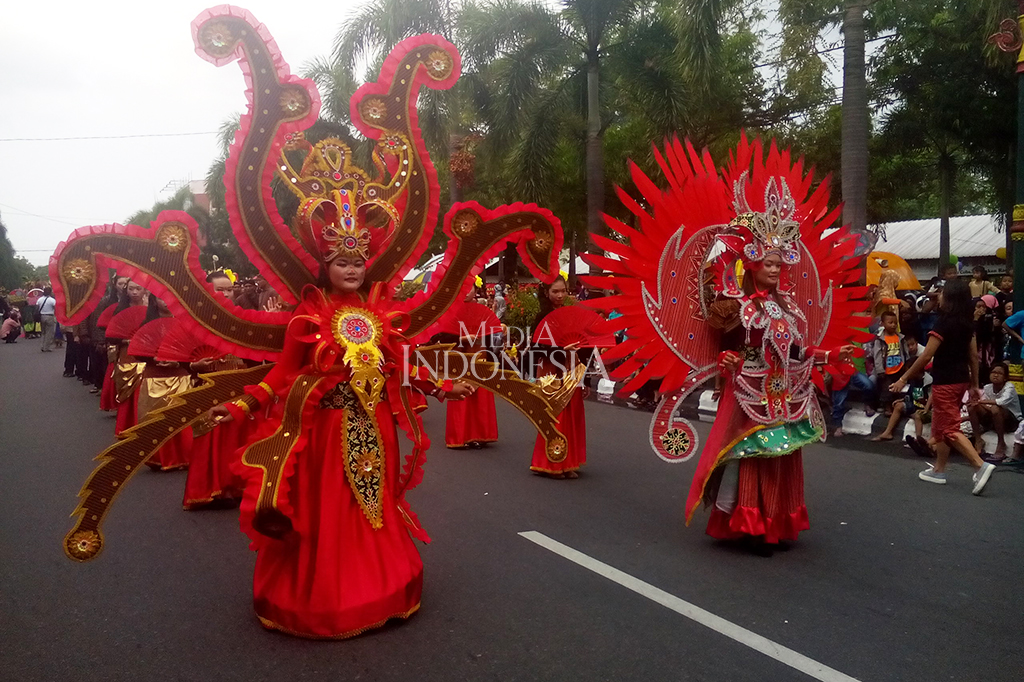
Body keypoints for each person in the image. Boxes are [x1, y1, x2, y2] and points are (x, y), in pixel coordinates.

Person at [208, 223, 474, 639]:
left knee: (372, 503)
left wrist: (442, 387)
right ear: (324, 266)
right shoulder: (309, 313)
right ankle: (326, 595)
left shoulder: (377, 313)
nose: (352, 270)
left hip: (375, 423)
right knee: (328, 504)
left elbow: (401, 363)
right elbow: (284, 372)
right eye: (342, 262)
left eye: (358, 262)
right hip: (325, 430)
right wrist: (243, 404)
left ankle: (383, 583)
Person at [688, 242, 854, 551]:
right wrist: (729, 360)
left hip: (783, 391)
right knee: (755, 454)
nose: (776, 269)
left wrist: (830, 354)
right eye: (769, 264)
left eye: (779, 264)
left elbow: (794, 351)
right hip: (750, 391)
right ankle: (750, 526)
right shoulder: (734, 304)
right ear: (753, 266)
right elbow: (726, 347)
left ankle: (775, 523)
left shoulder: (785, 305)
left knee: (782, 455)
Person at [889, 278, 996, 494]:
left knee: (948, 428)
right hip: (960, 380)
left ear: (950, 297)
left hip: (944, 381)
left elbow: (927, 354)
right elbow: (973, 358)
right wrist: (974, 384)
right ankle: (938, 470)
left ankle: (979, 465)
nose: (939, 295)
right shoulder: (968, 324)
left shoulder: (943, 323)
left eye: (942, 292)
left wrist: (904, 378)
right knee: (941, 425)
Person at [529, 275, 588, 479]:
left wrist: (585, 378)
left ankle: (568, 462)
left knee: (572, 415)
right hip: (550, 370)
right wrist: (562, 350)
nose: (560, 295)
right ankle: (551, 462)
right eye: (555, 291)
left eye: (563, 290)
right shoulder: (542, 317)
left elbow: (585, 345)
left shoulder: (571, 314)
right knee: (555, 415)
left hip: (572, 367)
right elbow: (536, 349)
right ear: (546, 293)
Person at [870, 335, 930, 443]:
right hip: (913, 404)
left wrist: (926, 408)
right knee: (898, 406)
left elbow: (931, 396)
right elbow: (912, 394)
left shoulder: (927, 380)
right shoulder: (913, 380)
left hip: (923, 407)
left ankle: (918, 439)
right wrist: (903, 400)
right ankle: (887, 433)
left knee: (918, 416)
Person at [968, 363, 1021, 462]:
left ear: (1005, 377)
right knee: (972, 407)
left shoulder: (1009, 387)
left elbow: (1002, 402)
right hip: (994, 416)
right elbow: (987, 406)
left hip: (1011, 421)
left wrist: (982, 402)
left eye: (999, 373)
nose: (995, 375)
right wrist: (978, 404)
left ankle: (1001, 443)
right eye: (993, 372)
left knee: (995, 408)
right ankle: (978, 440)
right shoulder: (988, 387)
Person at [872, 310, 908, 415]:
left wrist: (906, 364)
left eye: (895, 323)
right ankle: (887, 407)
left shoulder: (900, 337)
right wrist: (880, 370)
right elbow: (877, 355)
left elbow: (904, 351)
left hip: (898, 367)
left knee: (898, 388)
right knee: (887, 389)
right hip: (887, 369)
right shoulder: (880, 339)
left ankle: (895, 405)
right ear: (883, 324)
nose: (893, 325)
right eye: (890, 322)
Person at [36, 286, 57, 352]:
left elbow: (37, 307)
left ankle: (42, 346)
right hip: (50, 316)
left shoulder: (39, 299)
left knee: (43, 332)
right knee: (49, 332)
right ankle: (46, 347)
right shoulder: (52, 300)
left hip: (42, 316)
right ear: (50, 292)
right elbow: (55, 308)